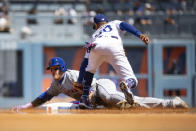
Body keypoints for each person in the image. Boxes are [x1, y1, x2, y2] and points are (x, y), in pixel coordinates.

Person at [12, 57, 188, 111]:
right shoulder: (56, 85)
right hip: (93, 101)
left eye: (57, 68)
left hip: (100, 87)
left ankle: (171, 102)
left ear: (63, 68)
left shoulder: (72, 75)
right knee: (125, 108)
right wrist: (25, 106)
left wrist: (86, 99)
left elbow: (87, 87)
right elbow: (43, 97)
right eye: (52, 69)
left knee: (111, 97)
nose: (54, 72)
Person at [78, 13, 150, 109]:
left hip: (96, 45)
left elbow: (85, 62)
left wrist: (79, 80)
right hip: (114, 46)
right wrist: (139, 34)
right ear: (106, 22)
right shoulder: (114, 23)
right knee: (132, 80)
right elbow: (125, 25)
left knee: (90, 71)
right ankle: (127, 85)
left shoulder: (95, 34)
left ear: (95, 25)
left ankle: (84, 98)